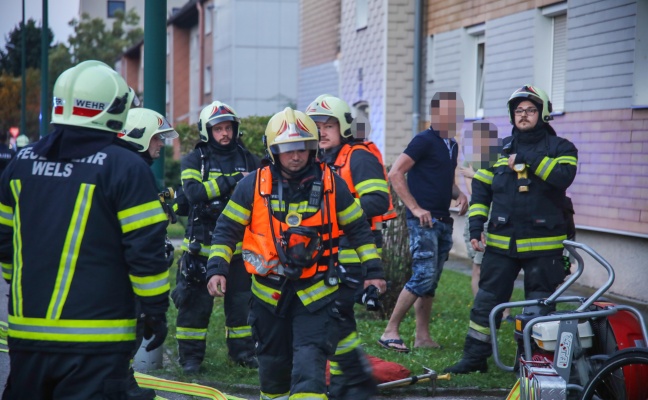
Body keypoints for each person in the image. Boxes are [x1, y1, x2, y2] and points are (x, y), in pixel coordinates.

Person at [0, 60, 170, 399]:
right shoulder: (128, 168)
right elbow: (146, 253)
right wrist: (154, 309)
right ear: (115, 107)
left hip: (26, 335)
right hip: (98, 342)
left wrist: (21, 285)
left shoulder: (21, 163)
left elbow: (6, 245)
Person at [205, 107, 384, 399]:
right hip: (268, 298)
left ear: (313, 149)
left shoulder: (331, 184)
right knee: (273, 374)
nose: (296, 156)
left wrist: (374, 273)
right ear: (274, 151)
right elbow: (226, 230)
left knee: (309, 367)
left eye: (303, 148)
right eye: (288, 150)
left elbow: (359, 230)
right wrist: (216, 268)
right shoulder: (252, 185)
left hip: (316, 296)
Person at [444, 84, 578, 374]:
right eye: (519, 110)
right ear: (512, 115)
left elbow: (562, 177)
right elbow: (481, 190)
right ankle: (474, 358)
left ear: (542, 114)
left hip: (545, 247)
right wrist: (476, 225)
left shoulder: (562, 148)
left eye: (530, 110)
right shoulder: (499, 150)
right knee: (486, 302)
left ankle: (529, 362)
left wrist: (530, 160)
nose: (524, 115)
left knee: (539, 308)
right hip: (502, 245)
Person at [306, 94, 390, 399]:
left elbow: (378, 200)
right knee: (335, 320)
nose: (322, 132)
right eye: (316, 127)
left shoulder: (358, 157)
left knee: (335, 317)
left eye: (329, 125)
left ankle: (354, 383)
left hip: (353, 254)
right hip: (325, 256)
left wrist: (339, 211)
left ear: (343, 128)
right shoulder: (317, 162)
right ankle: (344, 385)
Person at [172, 101, 260, 374]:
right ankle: (190, 360)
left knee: (241, 306)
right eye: (218, 129)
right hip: (200, 249)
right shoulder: (194, 160)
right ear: (206, 132)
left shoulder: (249, 159)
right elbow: (193, 194)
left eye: (228, 128)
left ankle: (243, 353)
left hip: (237, 250)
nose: (225, 134)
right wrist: (233, 181)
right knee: (193, 308)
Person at [378, 92, 468, 352]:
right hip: (423, 222)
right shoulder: (423, 140)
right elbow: (395, 172)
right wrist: (415, 208)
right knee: (423, 276)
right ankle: (389, 331)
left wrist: (459, 193)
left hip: (442, 221)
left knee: (431, 283)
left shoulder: (450, 144)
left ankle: (422, 337)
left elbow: (445, 181)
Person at [119, 107, 179, 400]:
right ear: (140, 136)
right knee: (127, 329)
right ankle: (122, 385)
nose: (161, 143)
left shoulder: (124, 166)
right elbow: (144, 242)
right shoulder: (134, 171)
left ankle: (124, 379)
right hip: (125, 278)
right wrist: (155, 310)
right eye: (157, 137)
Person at [458, 121, 511, 320]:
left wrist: (477, 175)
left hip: (500, 218)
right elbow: (475, 192)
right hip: (482, 219)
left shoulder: (501, 157)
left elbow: (504, 188)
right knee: (479, 267)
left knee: (503, 268)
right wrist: (476, 175)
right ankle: (482, 309)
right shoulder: (469, 162)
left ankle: (505, 311)